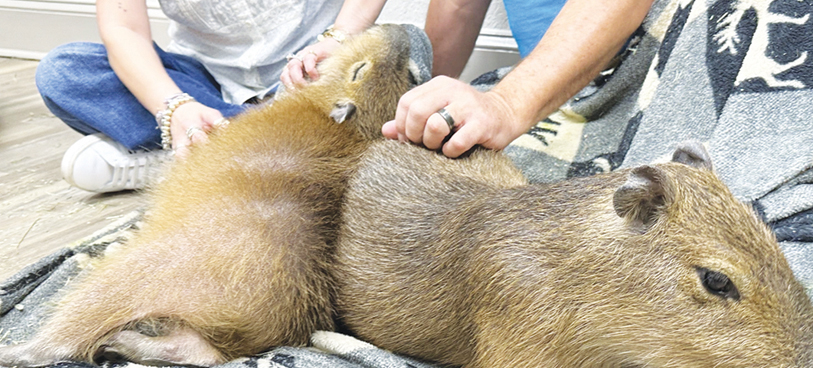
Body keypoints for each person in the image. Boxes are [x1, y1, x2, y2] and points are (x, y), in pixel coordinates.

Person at [35, 0, 386, 193]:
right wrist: (175, 108)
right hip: (208, 86)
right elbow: (123, 29)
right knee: (64, 71)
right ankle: (270, 144)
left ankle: (186, 158)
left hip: (318, 72)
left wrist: (337, 38)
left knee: (399, 51)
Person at [384, 0, 655, 158]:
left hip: (654, 66)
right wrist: (424, 114)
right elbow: (459, 6)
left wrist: (507, 105)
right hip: (550, 91)